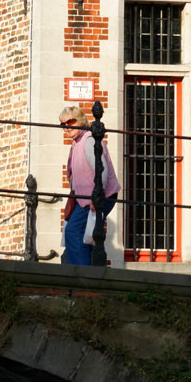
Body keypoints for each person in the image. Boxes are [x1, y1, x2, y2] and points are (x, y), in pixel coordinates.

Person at [61, 102, 119, 267]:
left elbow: (102, 170)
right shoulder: (77, 143)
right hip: (85, 198)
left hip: (98, 196)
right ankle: (87, 268)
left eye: (70, 122)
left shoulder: (88, 140)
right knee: (85, 234)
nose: (66, 127)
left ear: (80, 120)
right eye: (63, 124)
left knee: (73, 231)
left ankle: (82, 272)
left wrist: (97, 196)